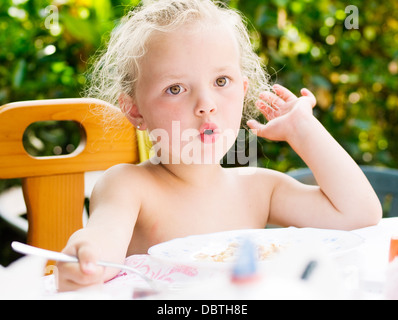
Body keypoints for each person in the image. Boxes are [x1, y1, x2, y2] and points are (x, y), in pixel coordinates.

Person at [57, 0, 381, 291]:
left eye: (221, 82)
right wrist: (86, 256)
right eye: (175, 88)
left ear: (243, 90)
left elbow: (360, 214)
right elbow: (102, 241)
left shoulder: (259, 190)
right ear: (134, 109)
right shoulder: (128, 186)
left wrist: (304, 131)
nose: (206, 104)